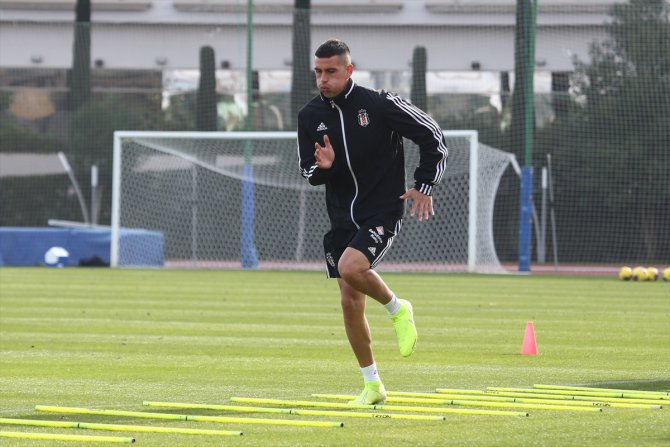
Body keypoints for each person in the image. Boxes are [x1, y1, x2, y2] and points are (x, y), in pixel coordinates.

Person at [297, 39, 448, 405]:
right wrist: (324, 167)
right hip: (340, 218)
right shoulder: (309, 115)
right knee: (349, 302)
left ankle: (398, 308)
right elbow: (308, 170)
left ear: (349, 70)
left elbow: (433, 136)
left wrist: (424, 185)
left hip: (381, 210)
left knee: (351, 267)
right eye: (318, 72)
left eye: (331, 71)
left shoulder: (379, 104)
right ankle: (372, 385)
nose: (323, 79)